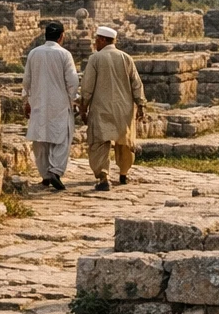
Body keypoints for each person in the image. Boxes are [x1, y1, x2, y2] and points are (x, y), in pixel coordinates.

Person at [79, 25, 145, 192]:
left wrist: (83, 106)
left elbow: (87, 86)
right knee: (125, 142)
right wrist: (141, 104)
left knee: (99, 142)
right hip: (124, 108)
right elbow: (136, 83)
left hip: (101, 108)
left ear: (102, 40)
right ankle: (123, 173)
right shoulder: (126, 58)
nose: (95, 44)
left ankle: (103, 177)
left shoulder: (95, 59)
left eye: (96, 41)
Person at [23, 21, 79, 191]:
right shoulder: (64, 54)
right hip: (60, 103)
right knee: (62, 137)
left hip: (38, 101)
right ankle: (55, 170)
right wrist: (74, 99)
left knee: (40, 139)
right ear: (62, 36)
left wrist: (26, 101)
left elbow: (27, 80)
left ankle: (45, 175)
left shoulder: (34, 53)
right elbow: (72, 81)